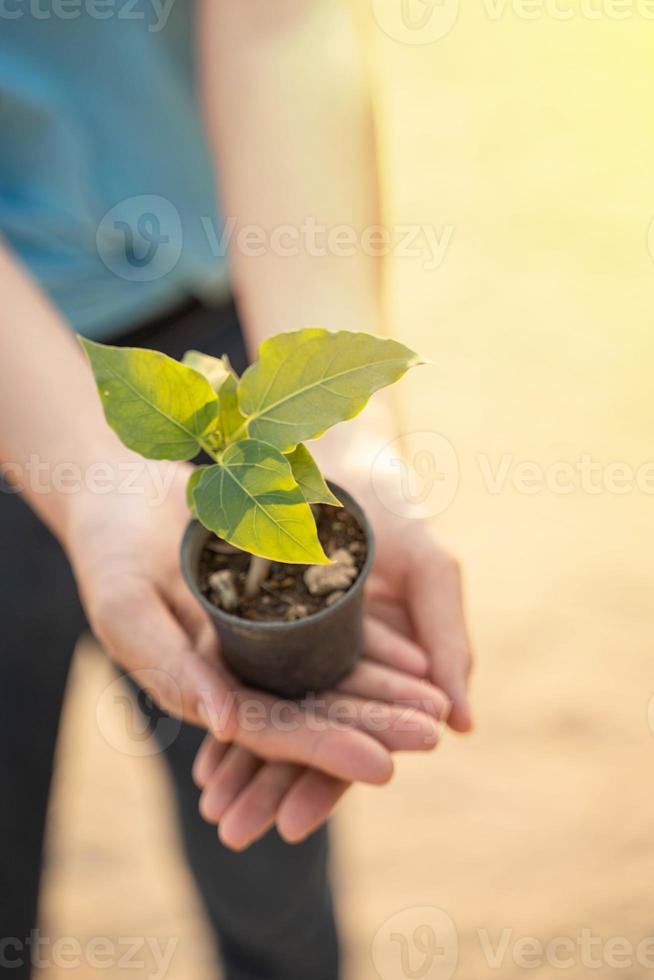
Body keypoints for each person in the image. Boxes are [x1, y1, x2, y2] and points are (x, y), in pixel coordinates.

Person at [0, 3, 474, 978]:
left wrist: (343, 431)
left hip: (231, 297)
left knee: (271, 876)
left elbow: (278, 22)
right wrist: (92, 478)